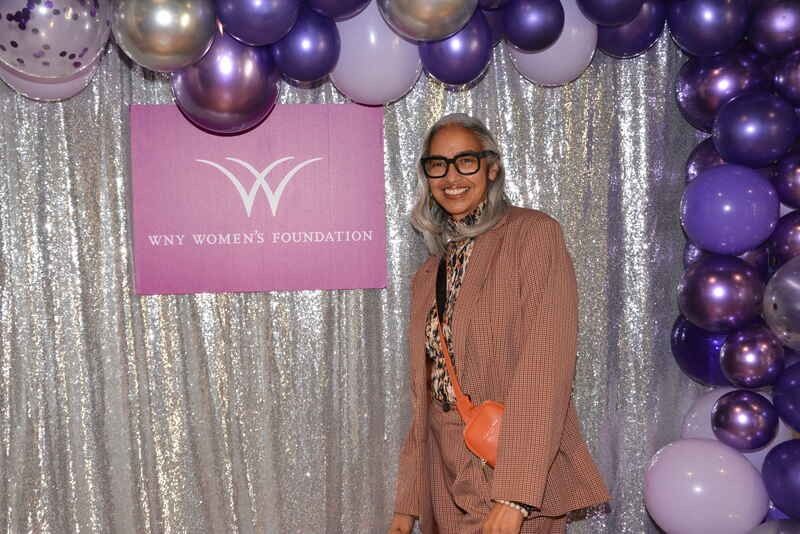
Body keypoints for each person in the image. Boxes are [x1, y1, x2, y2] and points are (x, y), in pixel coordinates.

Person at [387, 114, 610, 534]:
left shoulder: (532, 235)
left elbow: (545, 370)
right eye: (437, 164)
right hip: (444, 475)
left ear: (491, 168)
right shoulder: (430, 271)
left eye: (465, 161)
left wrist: (515, 495)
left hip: (504, 467)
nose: (451, 176)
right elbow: (426, 397)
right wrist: (408, 506)